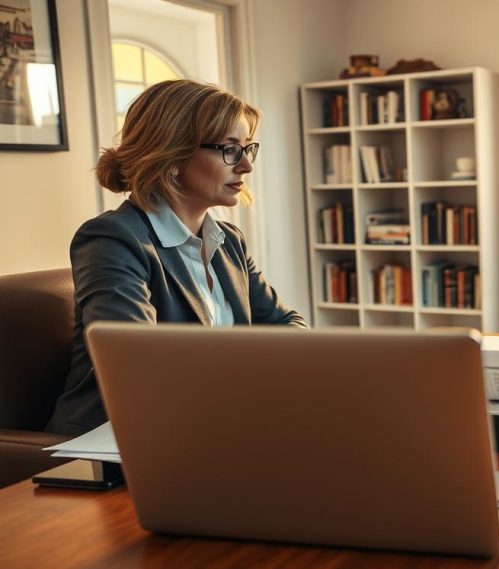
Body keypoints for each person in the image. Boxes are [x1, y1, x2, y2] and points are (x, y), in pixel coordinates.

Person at [46, 79, 307, 436]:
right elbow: (136, 361)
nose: (246, 165)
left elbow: (286, 324)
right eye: (230, 149)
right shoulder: (112, 239)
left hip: (212, 424)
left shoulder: (228, 241)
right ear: (172, 155)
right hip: (121, 437)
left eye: (248, 148)